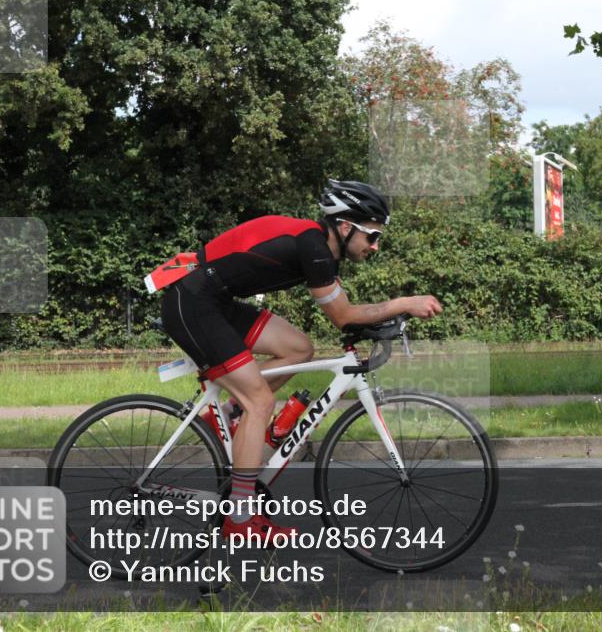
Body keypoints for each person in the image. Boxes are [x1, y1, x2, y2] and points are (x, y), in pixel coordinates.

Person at [158, 179, 443, 540]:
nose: (375, 246)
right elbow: (344, 316)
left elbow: (348, 311)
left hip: (213, 299)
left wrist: (385, 318)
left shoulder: (318, 248)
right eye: (372, 236)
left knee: (298, 348)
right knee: (260, 399)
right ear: (345, 226)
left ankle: (228, 414)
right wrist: (404, 304)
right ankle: (240, 519)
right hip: (194, 302)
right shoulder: (314, 247)